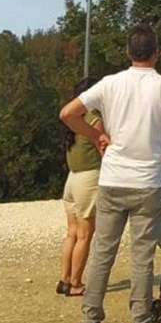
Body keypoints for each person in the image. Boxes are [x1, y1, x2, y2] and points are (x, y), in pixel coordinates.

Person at [59, 22, 161, 323]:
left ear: (128, 52)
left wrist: (95, 135)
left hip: (112, 179)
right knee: (142, 258)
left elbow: (68, 113)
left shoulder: (110, 84)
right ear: (156, 53)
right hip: (148, 182)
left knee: (102, 255)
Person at [57, 77, 106, 297]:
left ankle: (64, 279)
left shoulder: (73, 120)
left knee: (72, 234)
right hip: (89, 178)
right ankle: (76, 282)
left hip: (72, 180)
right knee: (86, 235)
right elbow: (104, 149)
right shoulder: (93, 119)